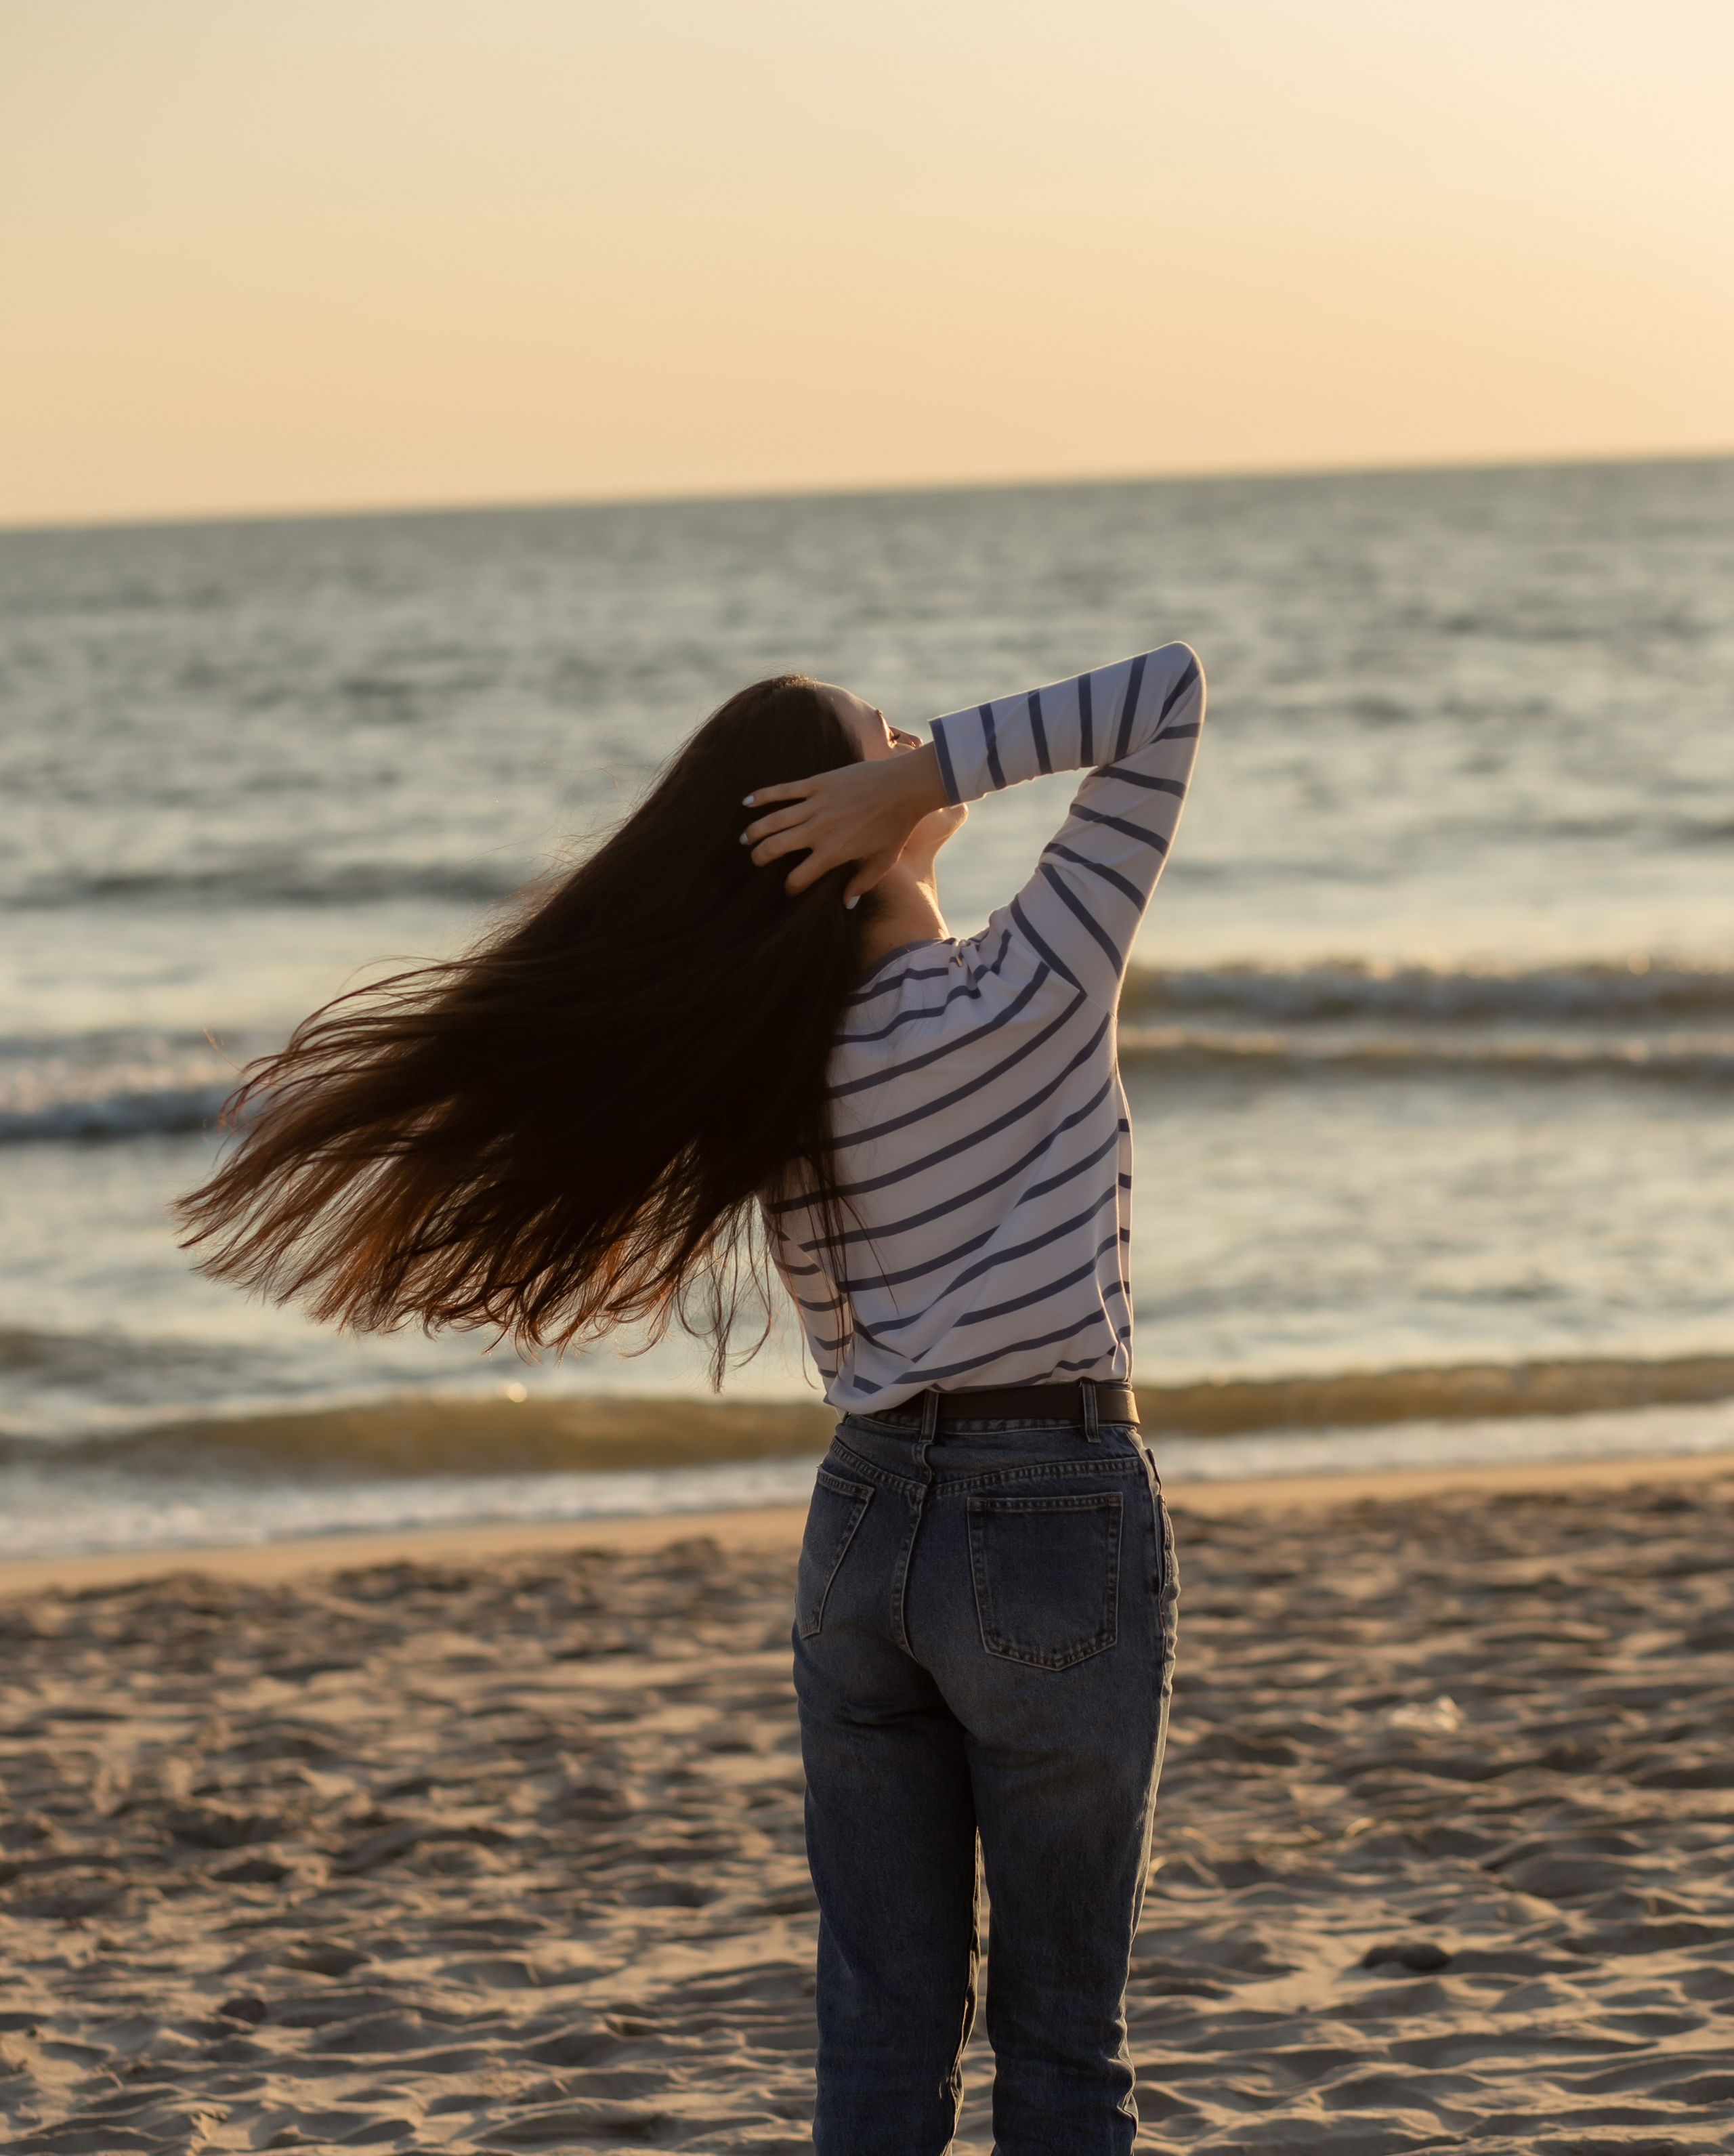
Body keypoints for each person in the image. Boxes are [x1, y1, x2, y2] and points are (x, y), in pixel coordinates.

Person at [177, 639, 1204, 2156]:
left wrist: (886, 784)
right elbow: (1165, 695)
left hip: (862, 1531)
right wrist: (924, 782)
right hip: (1049, 1511)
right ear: (832, 825)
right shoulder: (1029, 979)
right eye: (874, 743)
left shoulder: (767, 1084)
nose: (906, 744)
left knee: (877, 2046)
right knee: (1059, 2054)